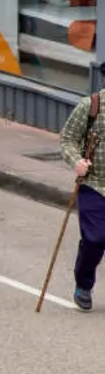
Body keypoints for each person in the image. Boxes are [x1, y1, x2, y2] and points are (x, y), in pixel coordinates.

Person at [60, 89, 105, 311]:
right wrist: (77, 161)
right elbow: (68, 139)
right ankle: (84, 284)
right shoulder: (92, 105)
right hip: (95, 184)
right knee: (95, 239)